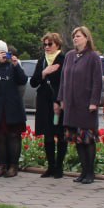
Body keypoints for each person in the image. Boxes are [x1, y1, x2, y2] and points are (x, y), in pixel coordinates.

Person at [59, 26, 104, 184]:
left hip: (86, 105)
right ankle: (83, 172)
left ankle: (90, 173)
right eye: (74, 37)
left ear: (86, 38)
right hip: (71, 105)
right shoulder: (70, 56)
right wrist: (62, 99)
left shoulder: (93, 57)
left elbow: (97, 82)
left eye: (78, 36)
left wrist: (94, 102)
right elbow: (63, 80)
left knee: (87, 140)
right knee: (77, 139)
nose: (75, 39)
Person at [0, 41, 27, 178]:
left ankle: (13, 166)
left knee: (13, 136)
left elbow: (23, 80)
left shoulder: (13, 64)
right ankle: (2, 165)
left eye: (5, 52)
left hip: (12, 106)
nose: (3, 55)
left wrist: (15, 64)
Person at [31, 32, 67, 178]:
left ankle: (59, 167)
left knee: (60, 134)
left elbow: (65, 82)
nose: (47, 47)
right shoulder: (42, 61)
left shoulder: (63, 59)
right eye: (44, 44)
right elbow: (33, 82)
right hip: (44, 102)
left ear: (57, 44)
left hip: (58, 102)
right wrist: (44, 73)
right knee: (48, 135)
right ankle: (50, 166)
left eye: (50, 44)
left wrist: (58, 101)